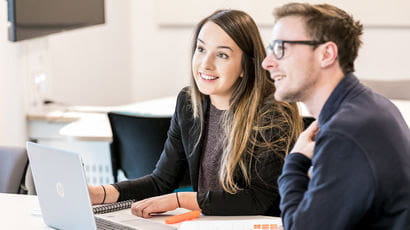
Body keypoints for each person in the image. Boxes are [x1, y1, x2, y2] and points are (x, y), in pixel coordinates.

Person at [89, 9, 303, 218]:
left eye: (222, 55)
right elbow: (161, 181)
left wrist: (180, 200)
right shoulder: (189, 103)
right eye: (201, 49)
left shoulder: (272, 113)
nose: (206, 64)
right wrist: (99, 193)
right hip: (208, 223)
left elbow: (259, 199)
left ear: (244, 66)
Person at [262, 3, 410, 229]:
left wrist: (295, 161)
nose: (267, 62)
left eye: (281, 48)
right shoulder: (372, 106)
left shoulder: (347, 132)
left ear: (326, 54)